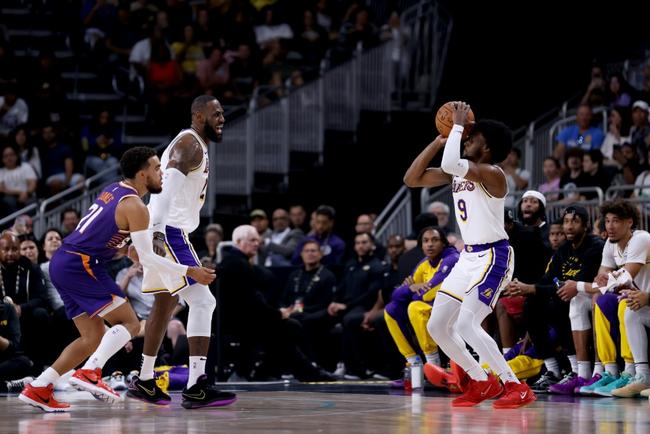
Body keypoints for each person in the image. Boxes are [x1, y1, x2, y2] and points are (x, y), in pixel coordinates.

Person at [19, 147, 216, 412]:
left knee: (92, 336)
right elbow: (148, 259)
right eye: (158, 168)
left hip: (64, 262)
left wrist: (124, 249)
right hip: (81, 264)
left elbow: (103, 234)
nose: (163, 174)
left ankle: (40, 387)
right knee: (129, 322)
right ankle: (90, 373)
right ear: (142, 173)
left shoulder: (115, 189)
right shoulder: (136, 206)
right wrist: (191, 271)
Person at [403, 101, 535, 408]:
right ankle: (480, 381)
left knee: (466, 325)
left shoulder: (492, 174)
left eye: (471, 138)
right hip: (469, 257)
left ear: (485, 147)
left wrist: (459, 124)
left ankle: (515, 386)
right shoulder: (459, 173)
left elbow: (451, 164)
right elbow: (411, 179)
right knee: (437, 326)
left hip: (494, 256)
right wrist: (438, 141)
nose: (465, 140)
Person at [128, 96, 236, 409]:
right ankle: (197, 385)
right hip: (168, 230)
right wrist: (157, 236)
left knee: (164, 303)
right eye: (216, 113)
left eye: (223, 113)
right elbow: (162, 193)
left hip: (162, 228)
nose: (221, 119)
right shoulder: (188, 145)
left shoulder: (194, 144)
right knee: (204, 300)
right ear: (198, 115)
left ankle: (145, 380)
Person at [384, 227, 459, 382]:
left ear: (443, 243)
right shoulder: (424, 263)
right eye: (426, 241)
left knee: (415, 307)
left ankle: (433, 362)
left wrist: (414, 289)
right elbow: (397, 295)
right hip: (433, 307)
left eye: (434, 240)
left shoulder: (451, 258)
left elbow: (427, 293)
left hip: (455, 306)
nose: (430, 244)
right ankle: (414, 364)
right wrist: (414, 288)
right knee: (391, 310)